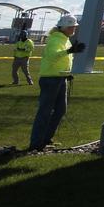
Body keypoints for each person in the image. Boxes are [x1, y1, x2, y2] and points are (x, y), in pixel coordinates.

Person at [29, 14, 85, 150]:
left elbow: (65, 59)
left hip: (61, 77)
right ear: (65, 27)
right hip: (50, 78)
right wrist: (69, 51)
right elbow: (54, 56)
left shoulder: (65, 40)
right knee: (45, 111)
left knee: (60, 109)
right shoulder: (55, 40)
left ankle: (46, 138)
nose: (74, 30)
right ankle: (36, 142)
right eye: (72, 27)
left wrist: (68, 73)